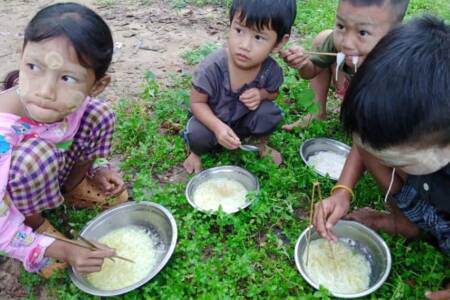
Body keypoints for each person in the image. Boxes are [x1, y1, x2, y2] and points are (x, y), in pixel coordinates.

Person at [313, 16, 450, 300]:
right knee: (370, 144)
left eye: (399, 160)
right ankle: (405, 224)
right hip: (425, 198)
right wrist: (342, 192)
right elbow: (366, 143)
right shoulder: (415, 140)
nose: (385, 161)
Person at [0, 2, 128, 277]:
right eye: (33, 66)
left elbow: (81, 130)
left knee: (99, 113)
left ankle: (74, 187)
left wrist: (100, 166)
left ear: (96, 85)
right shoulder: (3, 130)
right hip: (12, 195)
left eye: (67, 78)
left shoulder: (76, 100)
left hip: (55, 163)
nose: (46, 91)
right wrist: (65, 249)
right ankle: (37, 224)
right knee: (34, 157)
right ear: (21, 57)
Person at [182, 0, 297, 173]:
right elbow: (196, 103)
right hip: (211, 122)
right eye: (239, 30)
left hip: (244, 120)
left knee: (270, 113)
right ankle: (195, 154)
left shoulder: (270, 70)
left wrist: (261, 94)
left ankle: (259, 145)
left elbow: (273, 94)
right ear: (230, 25)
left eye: (258, 37)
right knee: (196, 134)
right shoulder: (212, 67)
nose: (244, 45)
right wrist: (217, 127)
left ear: (278, 43)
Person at [281, 0, 409, 130]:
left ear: (394, 36)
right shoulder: (336, 43)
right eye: (341, 26)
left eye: (363, 33)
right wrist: (302, 64)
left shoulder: (399, 65)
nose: (346, 43)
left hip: (374, 105)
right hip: (347, 90)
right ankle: (317, 113)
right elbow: (311, 71)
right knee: (322, 38)